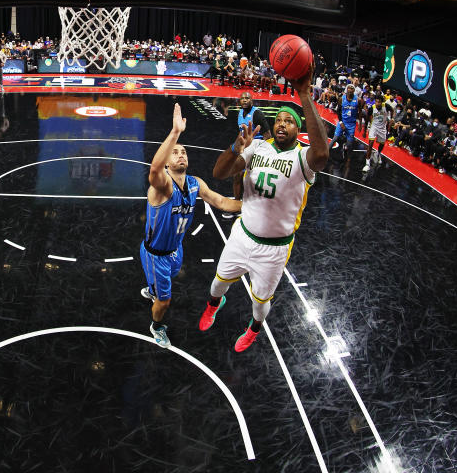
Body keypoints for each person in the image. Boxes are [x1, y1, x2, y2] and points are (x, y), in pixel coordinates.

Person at [202, 66, 328, 352]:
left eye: (290, 121)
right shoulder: (257, 147)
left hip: (274, 248)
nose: (282, 124)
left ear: (299, 129)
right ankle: (214, 305)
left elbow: (321, 154)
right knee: (216, 285)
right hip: (242, 234)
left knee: (260, 303)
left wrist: (305, 96)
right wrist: (236, 147)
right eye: (279, 120)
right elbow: (219, 173)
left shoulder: (303, 159)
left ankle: (254, 329)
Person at [140, 103, 244, 348]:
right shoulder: (163, 187)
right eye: (175, 153)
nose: (181, 154)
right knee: (164, 301)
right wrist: (175, 133)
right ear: (168, 163)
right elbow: (154, 169)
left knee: (173, 275)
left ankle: (153, 287)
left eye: (184, 151)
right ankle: (156, 326)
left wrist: (252, 207)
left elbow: (220, 201)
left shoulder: (196, 184)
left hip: (175, 249)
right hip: (156, 255)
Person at [225, 93, 271, 218]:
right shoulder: (240, 113)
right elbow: (241, 132)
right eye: (242, 98)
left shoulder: (257, 114)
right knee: (237, 175)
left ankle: (259, 208)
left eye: (247, 98)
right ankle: (236, 206)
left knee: (253, 180)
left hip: (257, 148)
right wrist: (236, 147)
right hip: (246, 148)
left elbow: (268, 135)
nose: (244, 100)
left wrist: (263, 154)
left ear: (252, 100)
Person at [363, 96, 392, 172]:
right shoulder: (372, 108)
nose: (377, 103)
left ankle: (378, 153)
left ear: (382, 102)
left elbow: (392, 110)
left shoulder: (386, 106)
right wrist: (364, 130)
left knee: (382, 144)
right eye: (376, 102)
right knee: (371, 143)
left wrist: (392, 118)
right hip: (374, 127)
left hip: (382, 128)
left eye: (379, 102)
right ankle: (367, 164)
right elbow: (366, 119)